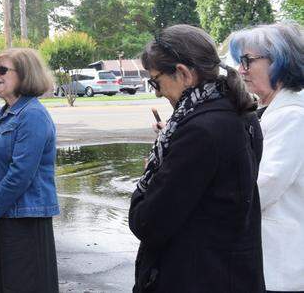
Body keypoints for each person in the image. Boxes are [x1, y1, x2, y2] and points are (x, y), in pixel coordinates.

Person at [129, 24, 263, 292]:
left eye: (156, 81)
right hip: (228, 273)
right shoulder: (240, 113)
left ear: (183, 73)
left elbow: (148, 223)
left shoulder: (199, 131)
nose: (157, 92)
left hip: (195, 276)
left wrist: (150, 179)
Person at [0, 47, 59, 292]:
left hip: (24, 222)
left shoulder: (32, 115)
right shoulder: (2, 114)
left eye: (2, 69)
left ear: (25, 75)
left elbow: (19, 175)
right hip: (0, 218)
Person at [228, 23, 304, 292]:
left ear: (280, 61)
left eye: (247, 61)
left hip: (280, 268)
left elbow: (261, 188)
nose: (241, 70)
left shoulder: (292, 117)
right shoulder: (270, 111)